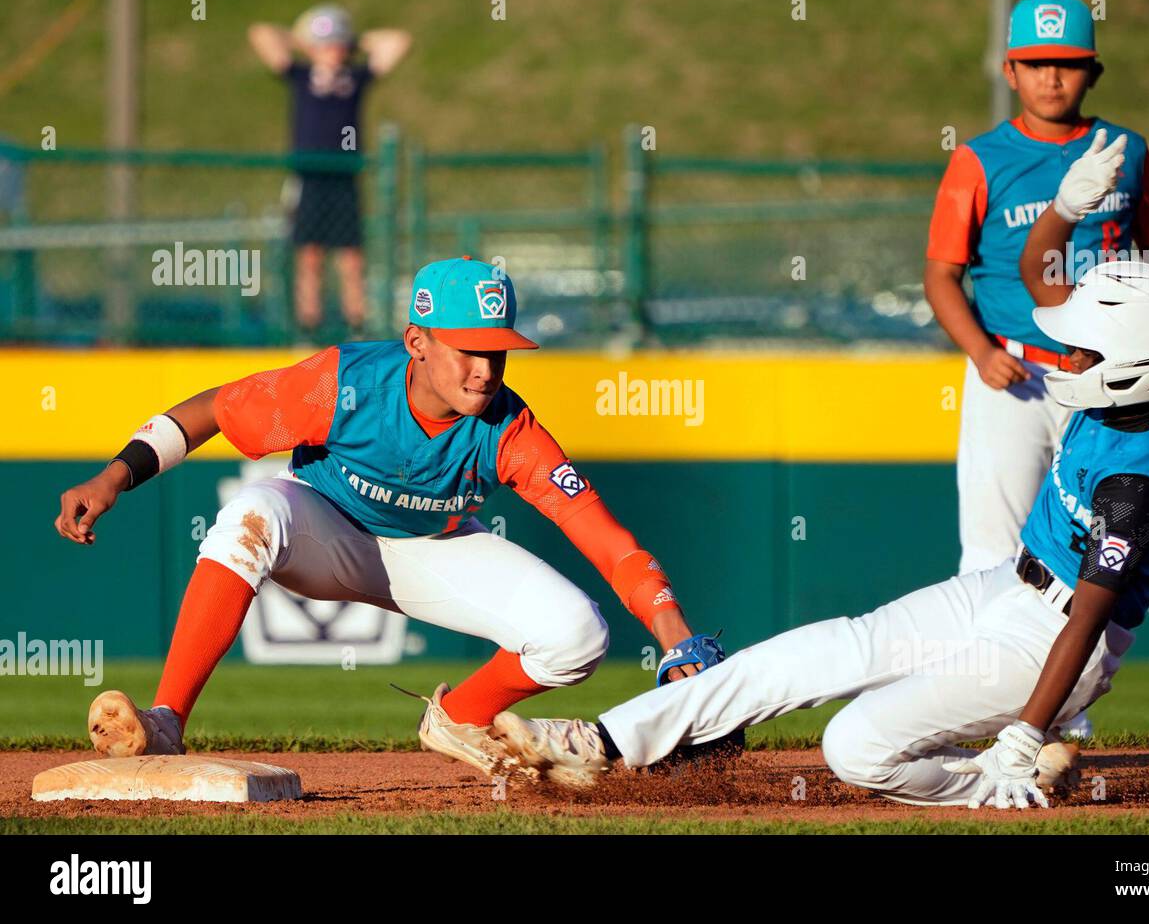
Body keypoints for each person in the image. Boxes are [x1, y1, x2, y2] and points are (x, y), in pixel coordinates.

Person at [489, 158, 1149, 807]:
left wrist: (1024, 731)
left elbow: (1086, 617)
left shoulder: (1134, 482)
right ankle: (605, 741)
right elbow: (1040, 278)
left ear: (1134, 365)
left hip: (1051, 643)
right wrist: (1065, 212)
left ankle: (994, 780)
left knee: (855, 746)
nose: (1066, 356)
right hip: (1005, 586)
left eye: (1083, 351)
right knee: (830, 647)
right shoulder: (1120, 387)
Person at [54, 257, 722, 776]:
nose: (487, 368)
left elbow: (605, 540)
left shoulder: (510, 428)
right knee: (250, 513)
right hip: (324, 528)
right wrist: (114, 477)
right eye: (468, 347)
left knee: (578, 634)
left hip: (435, 548)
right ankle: (166, 721)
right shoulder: (343, 382)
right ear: (417, 341)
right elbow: (213, 411)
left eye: (498, 350)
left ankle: (460, 717)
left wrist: (677, 637)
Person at [922, 0, 1149, 739]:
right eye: (1036, 63)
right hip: (1013, 370)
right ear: (1010, 69)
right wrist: (978, 351)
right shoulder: (979, 157)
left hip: (1103, 378)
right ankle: (975, 706)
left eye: (1067, 63)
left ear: (1092, 71)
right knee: (992, 550)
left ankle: (1059, 716)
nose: (1051, 77)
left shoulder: (1123, 150)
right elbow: (941, 272)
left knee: (1089, 558)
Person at [248, 4, 411, 339]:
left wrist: (353, 40)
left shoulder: (354, 79)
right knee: (309, 253)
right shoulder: (301, 75)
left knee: (351, 255)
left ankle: (357, 325)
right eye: (326, 44)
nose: (332, 50)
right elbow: (260, 33)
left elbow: (399, 41)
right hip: (309, 175)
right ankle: (309, 325)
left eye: (337, 44)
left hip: (344, 175)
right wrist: (303, 39)